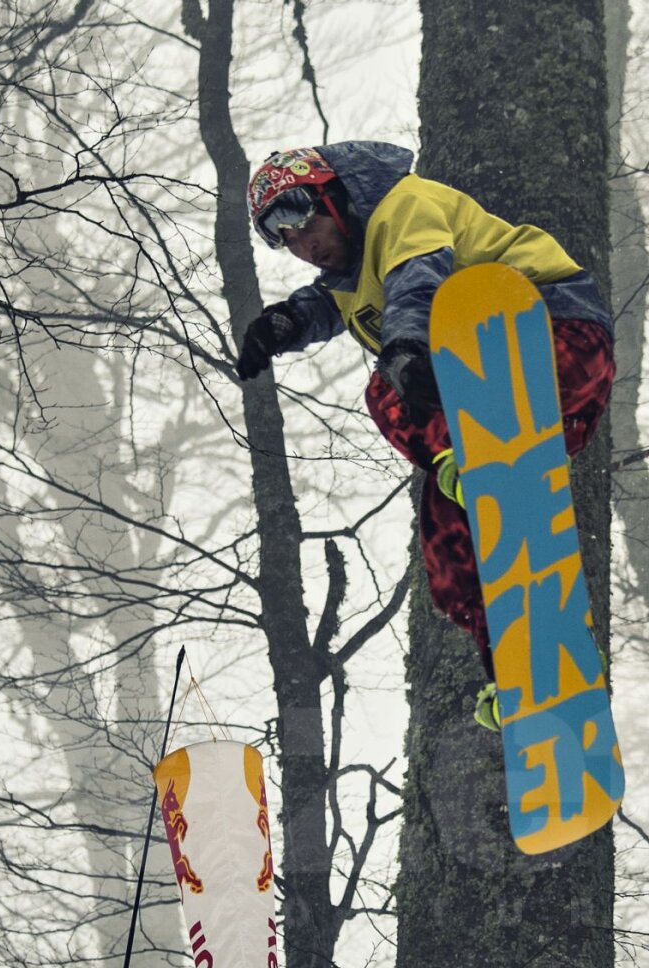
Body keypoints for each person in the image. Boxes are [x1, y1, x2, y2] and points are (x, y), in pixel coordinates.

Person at [235, 142, 615, 730]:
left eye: (300, 214)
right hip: (527, 396)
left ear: (334, 191)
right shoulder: (352, 269)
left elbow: (417, 280)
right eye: (281, 236)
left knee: (386, 390)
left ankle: (470, 459)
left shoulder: (401, 207)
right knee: (449, 549)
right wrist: (282, 325)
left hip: (552, 331)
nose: (300, 242)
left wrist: (408, 348)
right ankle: (525, 676)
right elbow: (328, 303)